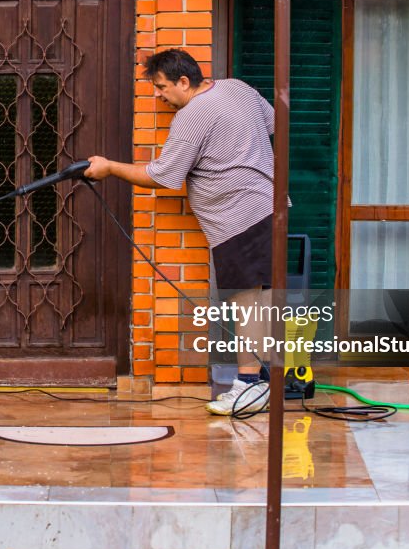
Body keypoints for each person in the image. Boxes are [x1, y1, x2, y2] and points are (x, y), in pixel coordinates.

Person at [83, 48, 277, 416]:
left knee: (246, 302)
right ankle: (263, 380)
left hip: (238, 216)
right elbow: (273, 123)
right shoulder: (237, 88)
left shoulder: (192, 116)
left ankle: (251, 386)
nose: (158, 95)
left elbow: (162, 176)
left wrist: (109, 168)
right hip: (267, 207)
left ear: (184, 82)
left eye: (160, 87)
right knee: (259, 299)